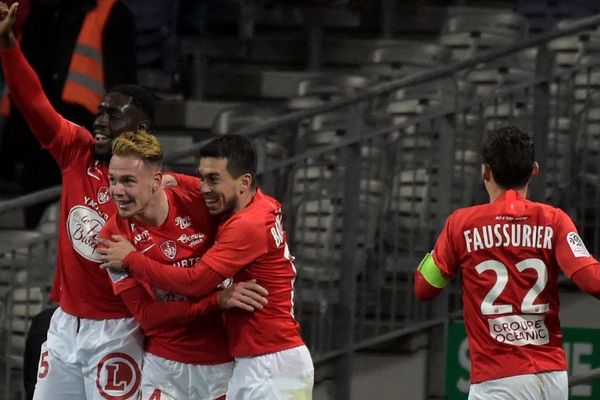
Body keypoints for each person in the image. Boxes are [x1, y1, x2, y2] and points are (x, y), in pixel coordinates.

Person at [1, 3, 150, 399]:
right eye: (99, 111)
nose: (99, 121)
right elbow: (34, 102)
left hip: (120, 329)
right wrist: (9, 45)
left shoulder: (160, 188)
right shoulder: (76, 151)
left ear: (140, 127)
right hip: (66, 325)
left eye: (113, 115)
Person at [98, 134, 315, 399]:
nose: (117, 191)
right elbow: (146, 316)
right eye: (112, 180)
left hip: (257, 360)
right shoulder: (113, 238)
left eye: (128, 181)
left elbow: (195, 281)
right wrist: (178, 178)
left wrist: (132, 260)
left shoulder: (242, 222)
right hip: (172, 366)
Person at [414, 126, 600, 399]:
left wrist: (440, 253)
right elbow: (592, 280)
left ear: (485, 172)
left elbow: (424, 288)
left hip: (498, 380)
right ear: (534, 170)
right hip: (552, 380)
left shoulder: (461, 224)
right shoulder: (555, 220)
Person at [0, 0, 136, 228]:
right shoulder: (37, 15)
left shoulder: (111, 12)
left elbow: (125, 91)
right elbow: (22, 89)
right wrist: (10, 154)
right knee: (40, 230)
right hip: (39, 150)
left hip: (90, 149)